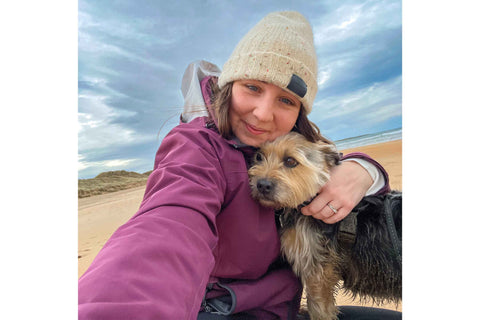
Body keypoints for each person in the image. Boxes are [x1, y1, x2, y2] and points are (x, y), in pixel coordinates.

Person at [78, 11, 401, 319]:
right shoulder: (196, 149)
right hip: (221, 310)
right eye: (253, 87)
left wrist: (366, 169)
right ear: (228, 86)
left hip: (279, 309)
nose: (262, 113)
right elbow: (169, 225)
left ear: (298, 114)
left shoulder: (287, 140)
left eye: (286, 100)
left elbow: (329, 161)